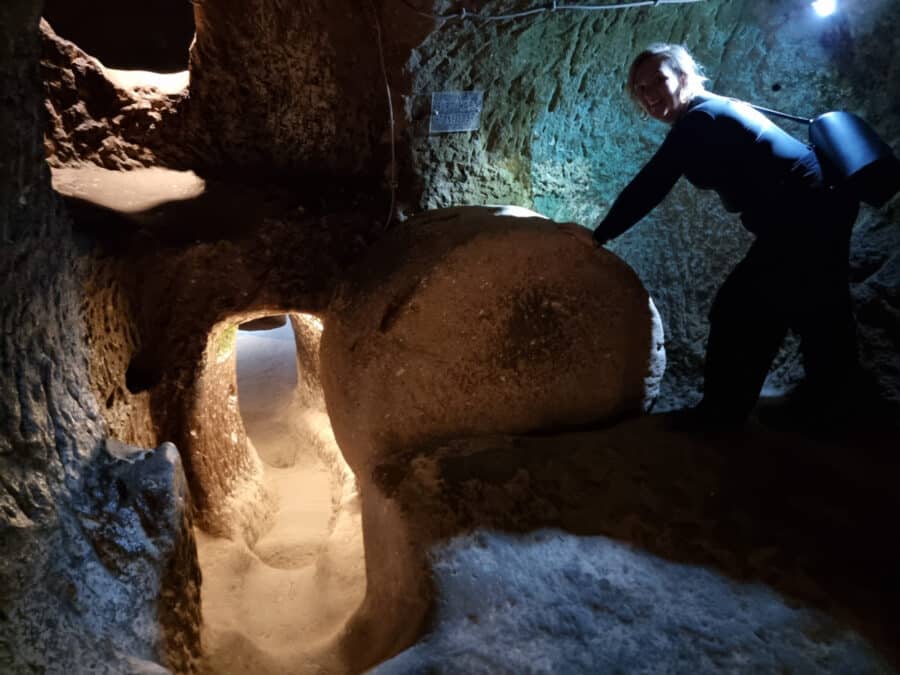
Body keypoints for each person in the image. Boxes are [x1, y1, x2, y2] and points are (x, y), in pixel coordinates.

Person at [559, 43, 860, 429]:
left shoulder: (700, 119)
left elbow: (654, 181)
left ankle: (720, 416)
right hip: (822, 204)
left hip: (809, 211)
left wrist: (599, 235)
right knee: (813, 305)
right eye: (641, 89)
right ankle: (833, 403)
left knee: (739, 310)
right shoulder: (711, 109)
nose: (650, 95)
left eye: (659, 81)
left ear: (683, 77)